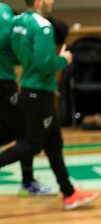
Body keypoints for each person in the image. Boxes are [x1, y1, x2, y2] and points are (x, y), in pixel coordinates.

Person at [0, 0, 96, 209]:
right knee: (30, 144)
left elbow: (16, 54)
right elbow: (44, 64)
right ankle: (61, 191)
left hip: (28, 88)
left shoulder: (18, 21)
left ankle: (69, 193)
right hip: (39, 92)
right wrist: (63, 59)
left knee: (54, 144)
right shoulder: (43, 26)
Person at [0, 1, 51, 196]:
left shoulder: (5, 10)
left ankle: (28, 182)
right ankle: (28, 183)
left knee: (11, 130)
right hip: (3, 82)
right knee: (23, 131)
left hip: (6, 79)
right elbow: (12, 44)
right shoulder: (3, 13)